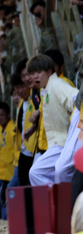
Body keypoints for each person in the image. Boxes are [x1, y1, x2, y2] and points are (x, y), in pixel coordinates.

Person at [27, 55, 78, 186]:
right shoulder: (46, 90)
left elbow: (75, 96)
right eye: (32, 73)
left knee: (56, 171)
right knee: (36, 172)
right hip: (58, 144)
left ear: (49, 72)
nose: (35, 77)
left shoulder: (56, 85)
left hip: (66, 141)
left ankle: (63, 200)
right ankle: (57, 198)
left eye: (39, 72)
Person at [0, 102, 14, 219]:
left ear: (8, 114)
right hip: (3, 171)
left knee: (1, 194)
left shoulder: (12, 130)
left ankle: (3, 218)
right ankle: (0, 218)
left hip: (9, 171)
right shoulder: (3, 130)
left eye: (2, 115)